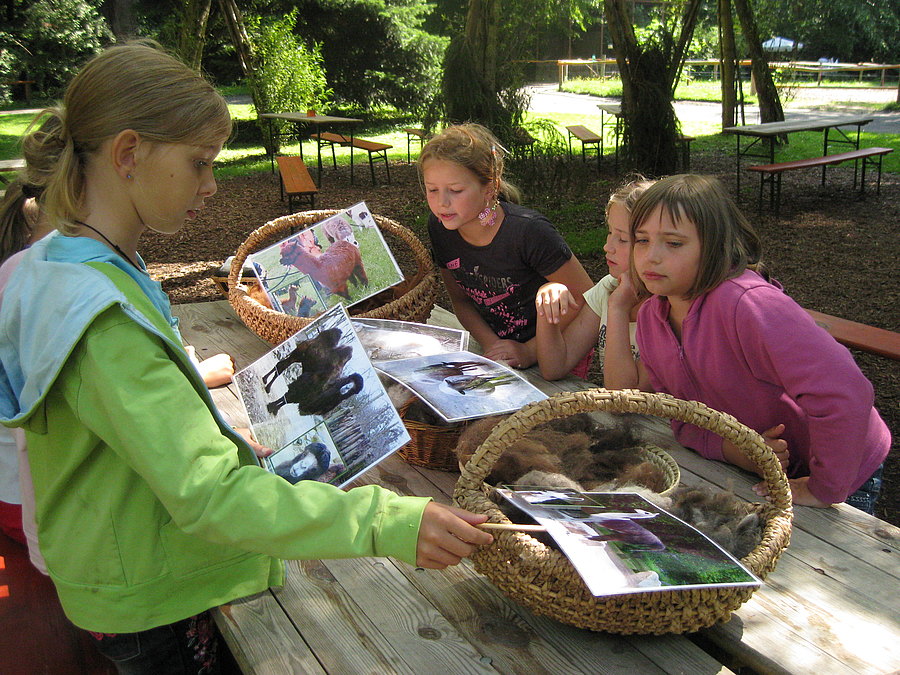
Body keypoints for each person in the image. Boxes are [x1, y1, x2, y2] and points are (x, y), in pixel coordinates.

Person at [0, 42, 492, 673]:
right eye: (199, 162)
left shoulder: (64, 262)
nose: (211, 184)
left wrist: (207, 436)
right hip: (155, 597)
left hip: (132, 557)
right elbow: (211, 497)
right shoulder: (103, 319)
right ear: (128, 154)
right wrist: (389, 521)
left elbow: (125, 429)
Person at [626, 174, 890, 512]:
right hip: (759, 471)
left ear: (715, 246)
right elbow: (681, 416)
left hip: (842, 470)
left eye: (674, 243)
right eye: (642, 240)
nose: (651, 256)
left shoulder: (749, 305)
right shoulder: (651, 319)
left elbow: (846, 391)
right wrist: (733, 449)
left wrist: (824, 487)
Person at [419, 123, 593, 373]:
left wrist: (529, 350)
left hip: (558, 351)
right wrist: (494, 347)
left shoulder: (529, 232)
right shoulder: (440, 229)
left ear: (490, 187)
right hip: (499, 353)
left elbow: (587, 297)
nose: (442, 202)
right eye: (432, 189)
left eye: (455, 190)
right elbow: (460, 300)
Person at [534, 178, 654, 383]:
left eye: (622, 239)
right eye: (610, 232)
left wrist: (618, 308)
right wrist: (546, 304)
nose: (608, 247)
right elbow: (555, 366)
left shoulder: (666, 306)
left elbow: (626, 394)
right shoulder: (608, 287)